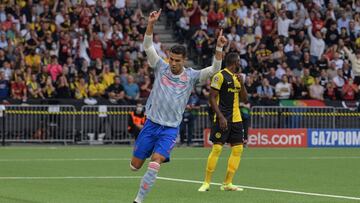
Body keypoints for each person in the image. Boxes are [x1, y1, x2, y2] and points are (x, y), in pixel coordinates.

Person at [131, 9, 227, 203]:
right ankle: (149, 150)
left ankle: (138, 200)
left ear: (184, 60)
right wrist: (150, 23)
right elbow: (148, 46)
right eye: (171, 59)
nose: (173, 63)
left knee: (156, 161)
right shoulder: (160, 67)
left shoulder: (191, 76)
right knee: (134, 166)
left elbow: (215, 70)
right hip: (151, 125)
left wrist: (218, 48)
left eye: (177, 61)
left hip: (170, 129)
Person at [198, 52, 248, 192]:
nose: (240, 64)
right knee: (217, 148)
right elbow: (212, 98)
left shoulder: (238, 78)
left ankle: (227, 183)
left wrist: (242, 84)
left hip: (237, 119)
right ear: (235, 62)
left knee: (238, 149)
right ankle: (206, 182)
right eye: (239, 61)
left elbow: (245, 100)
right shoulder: (219, 76)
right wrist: (220, 116)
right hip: (223, 118)